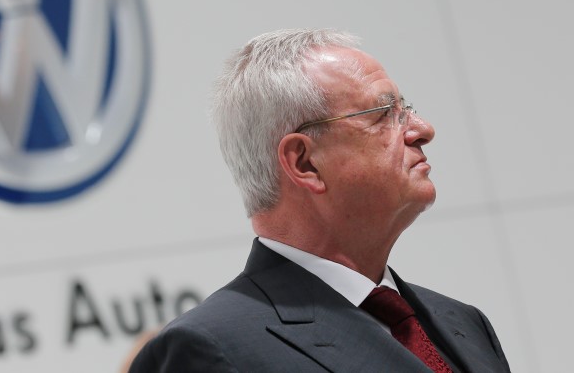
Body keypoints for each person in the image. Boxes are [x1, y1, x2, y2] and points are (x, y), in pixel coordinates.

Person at [129, 29, 510, 372]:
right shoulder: (208, 349)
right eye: (383, 114)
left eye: (406, 108)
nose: (423, 130)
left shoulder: (463, 322)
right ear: (305, 162)